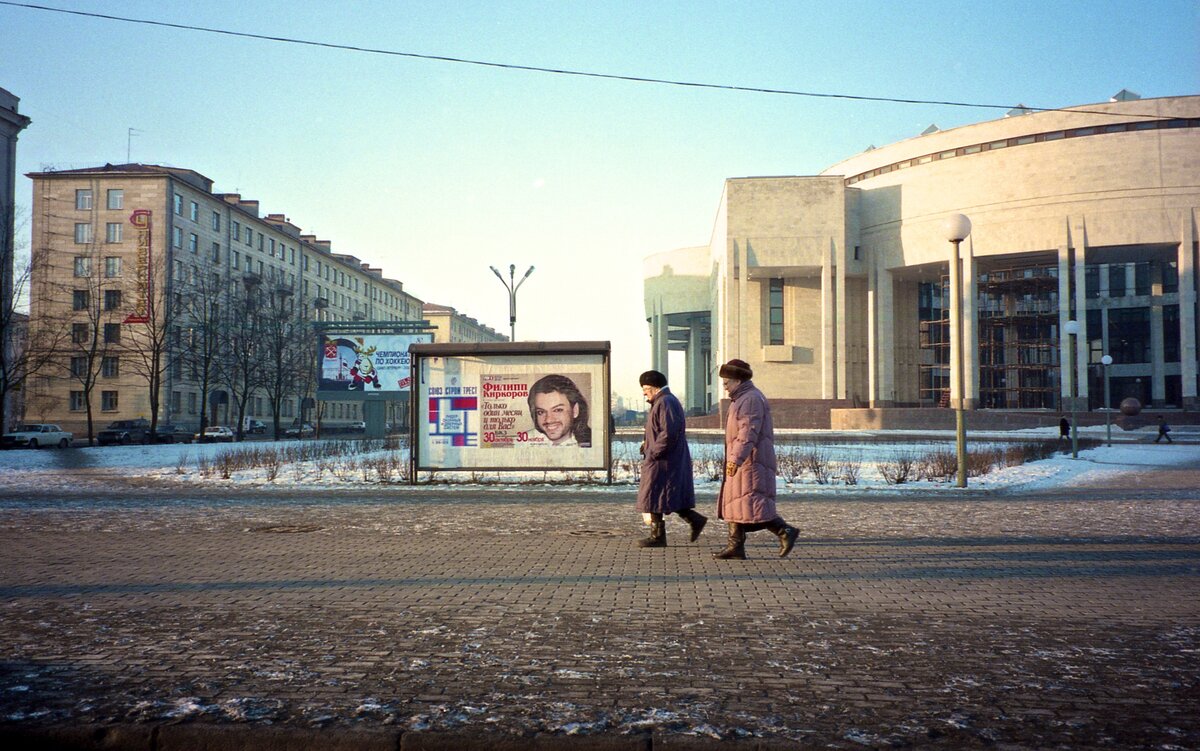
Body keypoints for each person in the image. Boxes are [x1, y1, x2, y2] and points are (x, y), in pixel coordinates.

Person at [713, 359, 799, 560]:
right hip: (746, 460)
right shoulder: (741, 398)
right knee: (736, 502)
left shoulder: (750, 399)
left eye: (727, 382)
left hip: (751, 462)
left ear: (738, 380)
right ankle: (735, 546)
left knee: (753, 503)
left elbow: (747, 433)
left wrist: (735, 458)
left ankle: (784, 531)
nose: (724, 386)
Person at [635, 370, 707, 548]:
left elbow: (669, 432)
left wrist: (654, 452)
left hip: (663, 459)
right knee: (659, 495)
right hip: (663, 457)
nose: (644, 392)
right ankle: (691, 521)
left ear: (654, 387)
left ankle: (659, 536)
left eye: (645, 388)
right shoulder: (663, 401)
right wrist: (648, 445)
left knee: (655, 494)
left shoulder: (665, 402)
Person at [527, 374, 592, 447]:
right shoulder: (524, 442)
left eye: (558, 410)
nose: (549, 420)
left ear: (575, 410)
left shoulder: (593, 442)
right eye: (541, 412)